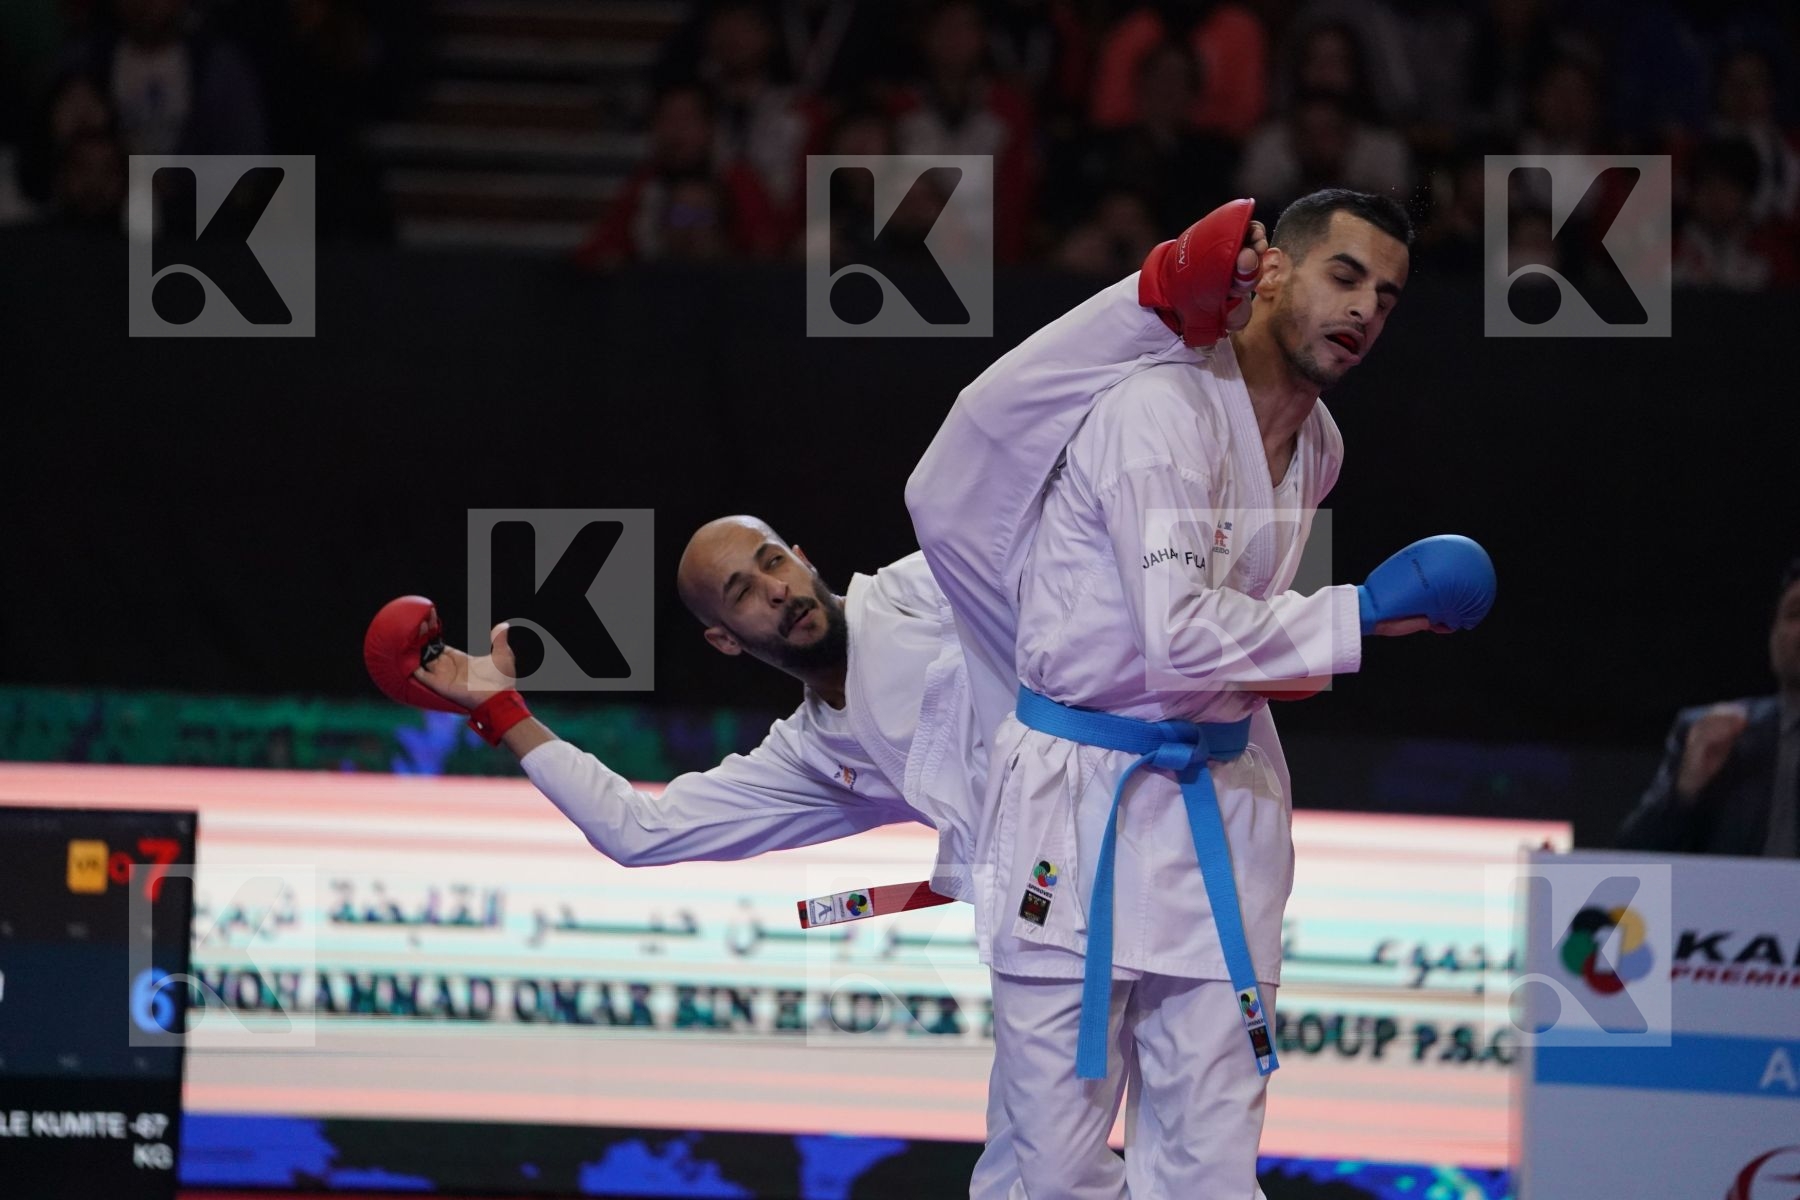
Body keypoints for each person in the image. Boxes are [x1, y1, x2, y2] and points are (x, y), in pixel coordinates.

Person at [907, 191, 1495, 1197]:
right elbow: (1178, 635)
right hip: (1078, 803)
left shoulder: (1322, 445)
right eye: (1344, 277)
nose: (1365, 311)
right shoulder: (1158, 408)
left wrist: (1288, 660)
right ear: (1272, 274)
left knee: (1212, 1161)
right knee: (1049, 1167)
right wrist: (1352, 618)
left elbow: (1229, 633)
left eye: (1387, 297)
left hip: (1223, 802)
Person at [378, 515, 1020, 1200]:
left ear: (802, 558)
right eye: (742, 593)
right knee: (1034, 1171)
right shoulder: (814, 756)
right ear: (724, 639)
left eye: (774, 563)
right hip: (1040, 930)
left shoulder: (922, 586)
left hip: (1135, 840)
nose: (775, 591)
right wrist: (501, 711)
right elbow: (638, 830)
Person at [1616, 557, 1800, 858]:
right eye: (1795, 613)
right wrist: (1687, 787)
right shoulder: (1710, 732)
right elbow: (1633, 858)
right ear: (1773, 636)